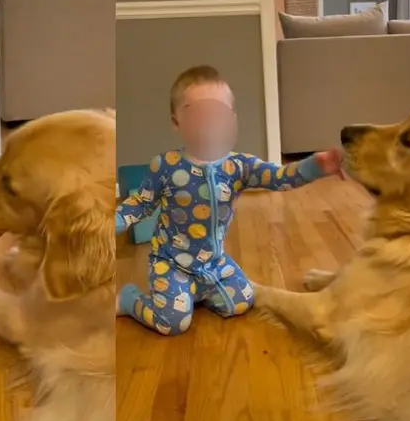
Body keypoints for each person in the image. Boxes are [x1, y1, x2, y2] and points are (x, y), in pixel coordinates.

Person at [116, 65, 341, 336]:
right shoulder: (165, 166)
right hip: (171, 263)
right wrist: (113, 223)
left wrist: (315, 166)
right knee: (173, 322)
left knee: (242, 301)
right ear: (176, 122)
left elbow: (280, 177)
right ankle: (130, 300)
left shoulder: (239, 166)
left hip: (213, 263)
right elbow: (141, 202)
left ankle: (197, 292)